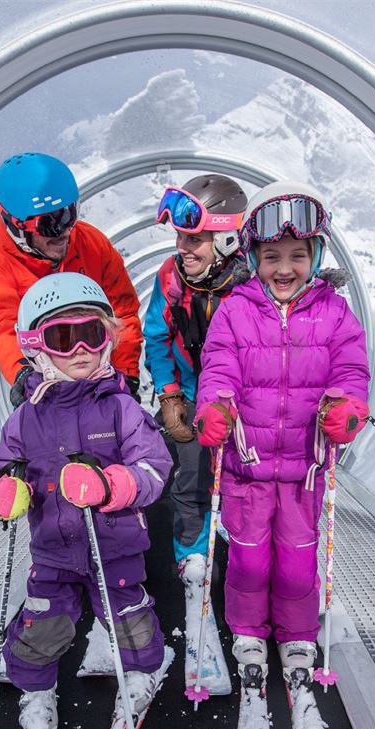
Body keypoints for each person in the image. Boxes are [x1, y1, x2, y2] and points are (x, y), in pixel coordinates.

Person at [194, 181, 372, 690]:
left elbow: (351, 368)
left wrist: (347, 407)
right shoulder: (235, 308)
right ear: (254, 257)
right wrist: (215, 406)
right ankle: (248, 629)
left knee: (297, 558)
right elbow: (219, 365)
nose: (285, 268)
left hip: (304, 467)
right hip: (246, 466)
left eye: (298, 254)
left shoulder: (333, 311)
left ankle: (297, 632)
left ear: (316, 256)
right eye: (272, 256)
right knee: (248, 555)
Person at [0, 271, 173, 729]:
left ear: (107, 338)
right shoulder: (25, 419)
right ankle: (35, 691)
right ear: (36, 347)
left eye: (91, 334)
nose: (80, 350)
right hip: (52, 551)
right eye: (62, 338)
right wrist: (4, 491)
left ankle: (141, 673)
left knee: (131, 621)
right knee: (42, 626)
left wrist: (112, 486)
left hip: (116, 549)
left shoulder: (121, 408)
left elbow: (154, 466)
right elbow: (5, 463)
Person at [143, 173, 249, 693]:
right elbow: (157, 338)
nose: (182, 249)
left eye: (194, 239)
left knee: (243, 479)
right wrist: (168, 395)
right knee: (188, 474)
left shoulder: (252, 287)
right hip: (188, 395)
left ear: (227, 239)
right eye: (180, 239)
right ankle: (191, 557)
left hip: (242, 404)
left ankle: (243, 546)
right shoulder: (169, 281)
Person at [0, 152, 143, 407]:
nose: (66, 230)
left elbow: (122, 313)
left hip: (99, 377)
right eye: (50, 225)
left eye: (69, 214)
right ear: (15, 225)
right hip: (49, 384)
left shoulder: (91, 244)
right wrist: (22, 372)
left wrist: (126, 375)